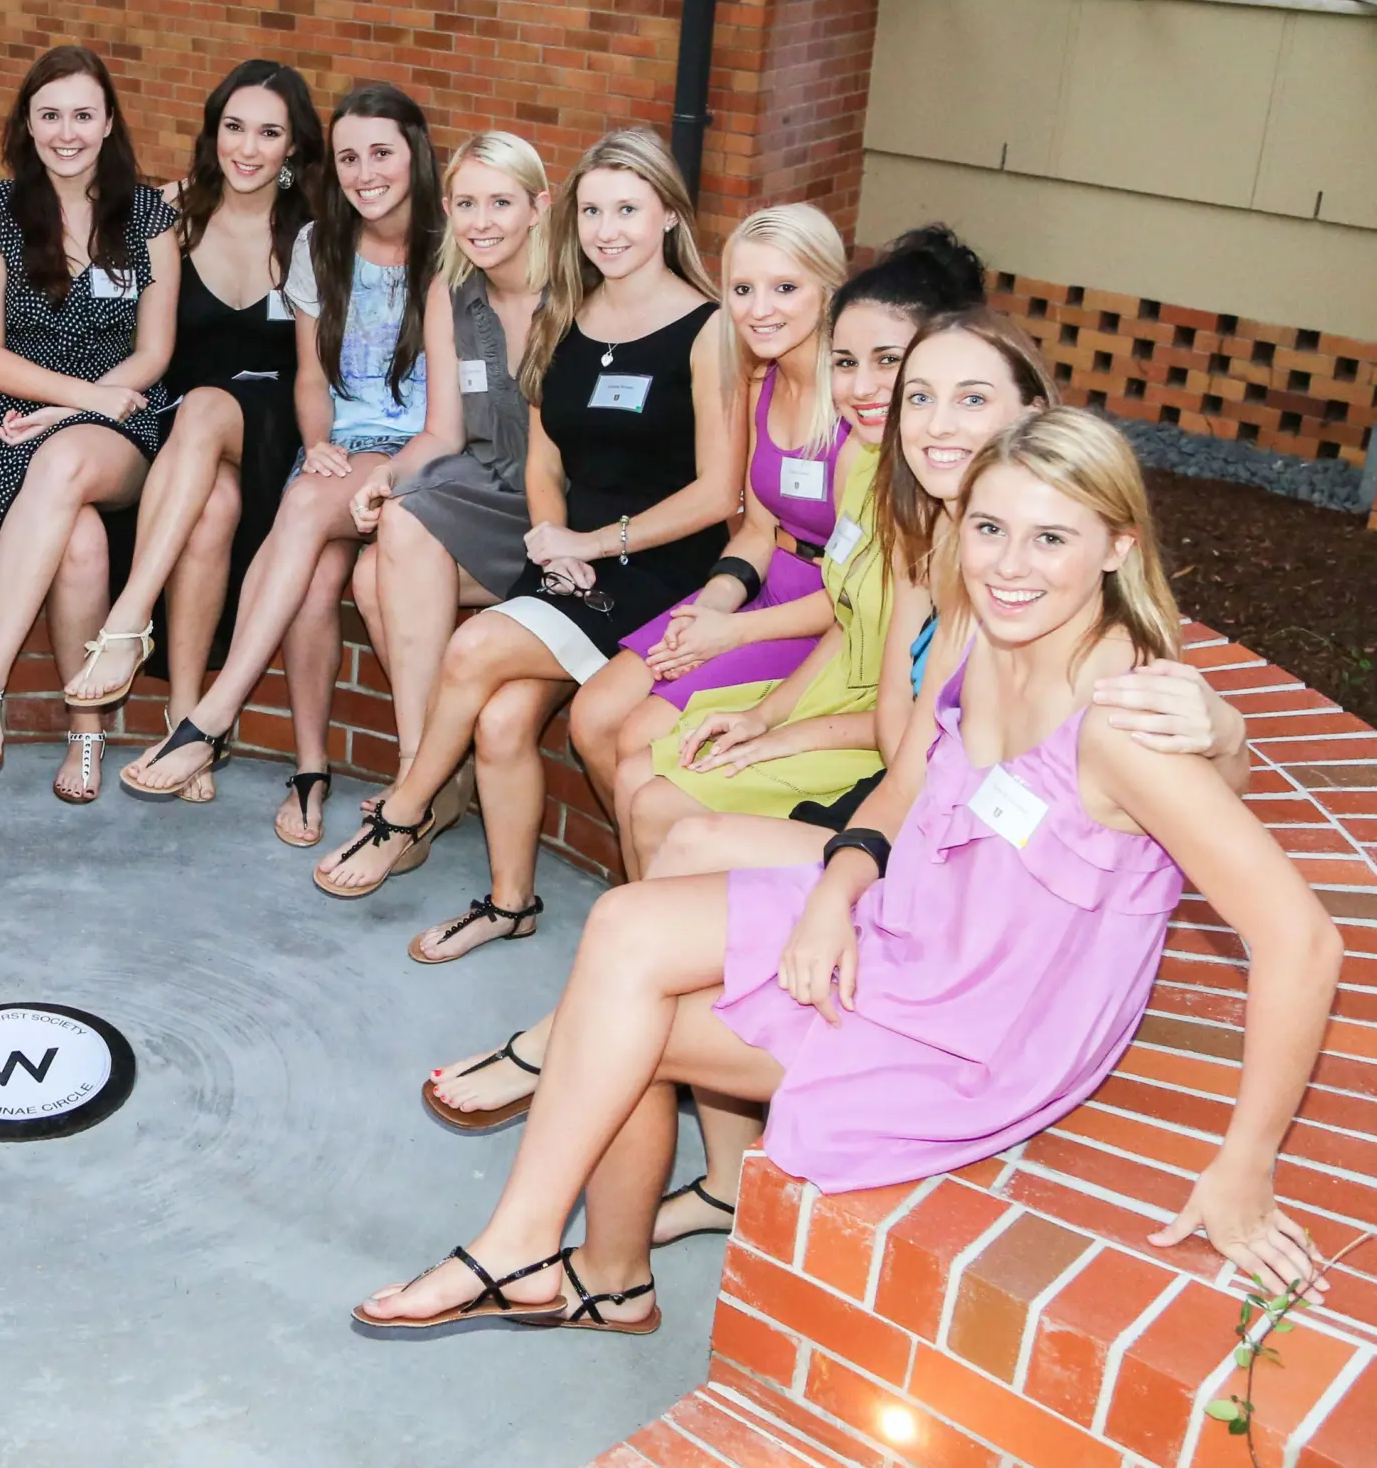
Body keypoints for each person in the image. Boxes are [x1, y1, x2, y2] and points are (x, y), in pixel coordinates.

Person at [357, 408, 1340, 1335]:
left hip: (976, 1022)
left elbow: (1299, 939)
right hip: (911, 923)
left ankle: (574, 1270)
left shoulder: (1127, 723)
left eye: (1051, 539)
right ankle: (536, 1250)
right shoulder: (992, 636)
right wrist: (833, 892)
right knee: (626, 925)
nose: (1008, 565)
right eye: (990, 529)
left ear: (1119, 546)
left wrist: (1244, 1167)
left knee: (621, 1032)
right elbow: (905, 789)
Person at [424, 287, 1247, 1248]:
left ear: (1035, 414)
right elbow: (909, 729)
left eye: (968, 398)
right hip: (916, 832)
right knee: (663, 844)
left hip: (943, 895)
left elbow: (1128, 771)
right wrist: (776, 725)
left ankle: (581, 1076)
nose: (930, 421)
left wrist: (1226, 731)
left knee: (669, 860)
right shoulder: (941, 536)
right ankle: (658, 1162)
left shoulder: (1027, 584)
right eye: (918, 397)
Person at [312, 128, 739, 931]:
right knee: (502, 720)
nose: (607, 229)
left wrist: (590, 545)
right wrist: (551, 538)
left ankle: (406, 807)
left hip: (660, 568)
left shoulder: (710, 328)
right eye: (594, 211)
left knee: (473, 651)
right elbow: (545, 465)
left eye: (628, 210)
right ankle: (512, 903)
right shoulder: (572, 314)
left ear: (671, 219)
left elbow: (720, 493)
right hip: (574, 561)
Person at [117, 83, 463, 821]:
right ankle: (312, 771)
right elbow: (311, 375)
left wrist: (349, 465)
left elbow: (452, 416)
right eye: (349, 157)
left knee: (303, 504)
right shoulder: (318, 244)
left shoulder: (451, 249)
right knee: (311, 578)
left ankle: (208, 720)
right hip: (348, 446)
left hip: (425, 450)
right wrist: (316, 441)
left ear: (416, 155)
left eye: (382, 154)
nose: (365, 172)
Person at [57, 60, 322, 809]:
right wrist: (68, 404)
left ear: (293, 146)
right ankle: (185, 726)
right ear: (212, 133)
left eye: (269, 132)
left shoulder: (314, 233)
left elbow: (320, 367)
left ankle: (127, 619)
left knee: (209, 406)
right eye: (234, 127)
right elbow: (124, 338)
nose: (248, 147)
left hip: (277, 425)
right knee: (209, 507)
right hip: (187, 435)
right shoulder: (171, 214)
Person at [562, 206, 851, 828]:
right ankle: (652, 878)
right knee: (593, 714)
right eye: (743, 289)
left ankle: (674, 884)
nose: (759, 309)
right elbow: (756, 529)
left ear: (829, 290)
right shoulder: (760, 382)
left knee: (641, 738)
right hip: (762, 588)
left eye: (785, 288)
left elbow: (869, 594)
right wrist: (715, 605)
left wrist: (733, 632)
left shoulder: (858, 404)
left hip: (830, 617)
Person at [0, 44, 181, 804]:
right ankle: (88, 736)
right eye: (50, 115)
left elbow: (154, 351)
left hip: (116, 416)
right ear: (28, 124)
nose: (67, 131)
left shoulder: (149, 215)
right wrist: (63, 401)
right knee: (78, 544)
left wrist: (76, 403)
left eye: (83, 114)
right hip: (10, 417)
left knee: (65, 467)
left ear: (109, 121)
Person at [350, 131, 548, 800]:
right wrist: (387, 475)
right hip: (489, 491)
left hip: (562, 507)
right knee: (383, 547)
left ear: (538, 207)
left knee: (379, 570)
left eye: (500, 202)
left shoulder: (577, 295)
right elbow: (442, 432)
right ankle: (421, 767)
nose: (481, 221)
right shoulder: (452, 290)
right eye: (466, 203)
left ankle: (422, 779)